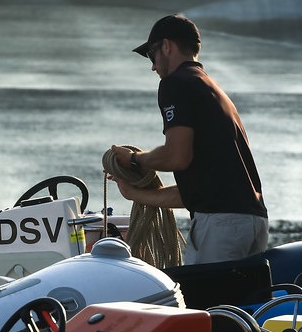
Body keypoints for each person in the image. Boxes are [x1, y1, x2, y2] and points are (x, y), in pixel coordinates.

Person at [109, 14, 269, 265]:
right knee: (234, 304)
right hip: (250, 222)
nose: (152, 66)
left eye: (151, 55)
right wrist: (135, 194)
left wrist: (133, 160)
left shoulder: (175, 84)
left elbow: (176, 157)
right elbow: (195, 194)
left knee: (206, 303)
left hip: (221, 225)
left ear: (166, 46)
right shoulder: (210, 88)